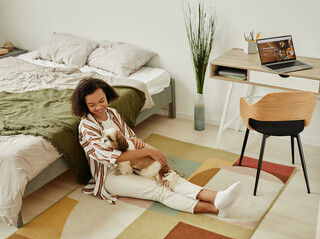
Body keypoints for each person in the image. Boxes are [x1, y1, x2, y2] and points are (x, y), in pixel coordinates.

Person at [70, 77, 242, 217]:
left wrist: (140, 145)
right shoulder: (86, 126)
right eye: (92, 105)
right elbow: (111, 157)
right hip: (111, 175)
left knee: (167, 176)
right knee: (158, 190)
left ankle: (216, 196)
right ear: (84, 105)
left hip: (133, 162)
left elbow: (129, 137)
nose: (99, 107)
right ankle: (215, 209)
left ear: (107, 96)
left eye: (102, 101)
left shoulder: (113, 113)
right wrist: (149, 151)